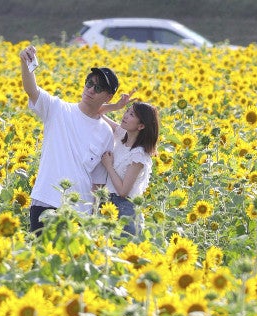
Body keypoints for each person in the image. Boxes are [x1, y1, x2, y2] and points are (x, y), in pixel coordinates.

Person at [19, 46, 120, 233]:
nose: (90, 89)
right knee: (42, 259)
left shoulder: (106, 132)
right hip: (46, 201)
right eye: (89, 83)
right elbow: (31, 90)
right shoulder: (58, 109)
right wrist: (26, 64)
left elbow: (97, 182)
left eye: (98, 88)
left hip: (80, 210)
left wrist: (93, 218)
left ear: (108, 96)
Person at [100, 100, 160, 237]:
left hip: (125, 210)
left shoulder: (138, 155)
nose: (125, 115)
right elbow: (98, 112)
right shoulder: (122, 135)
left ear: (141, 126)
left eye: (132, 114)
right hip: (107, 203)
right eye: (127, 111)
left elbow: (123, 191)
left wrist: (108, 166)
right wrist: (115, 106)